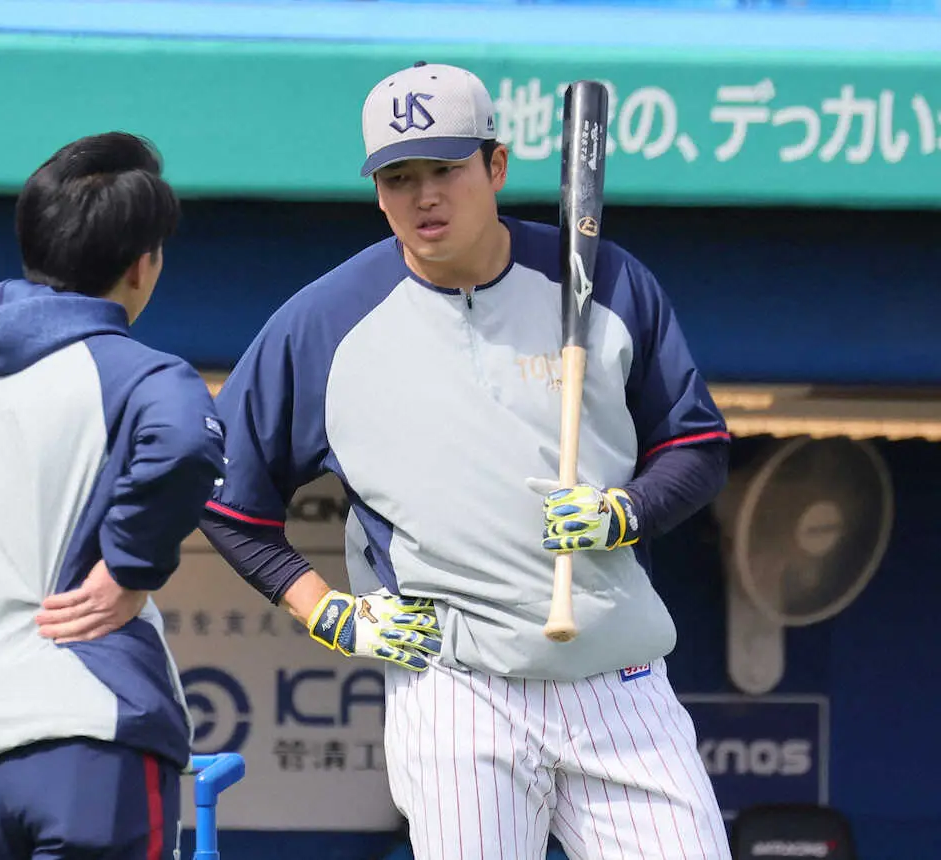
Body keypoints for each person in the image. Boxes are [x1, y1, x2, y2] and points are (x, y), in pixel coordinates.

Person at [201, 62, 733, 859]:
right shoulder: (325, 323)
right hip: (454, 685)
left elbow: (694, 444)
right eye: (399, 178)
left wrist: (629, 509)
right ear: (377, 192)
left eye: (445, 169)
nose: (424, 197)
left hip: (618, 682)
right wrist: (325, 611)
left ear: (496, 165)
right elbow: (222, 492)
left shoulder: (605, 280)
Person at [0, 132, 226, 860]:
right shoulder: (140, 373)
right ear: (142, 264)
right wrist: (128, 568)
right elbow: (187, 443)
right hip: (94, 735)